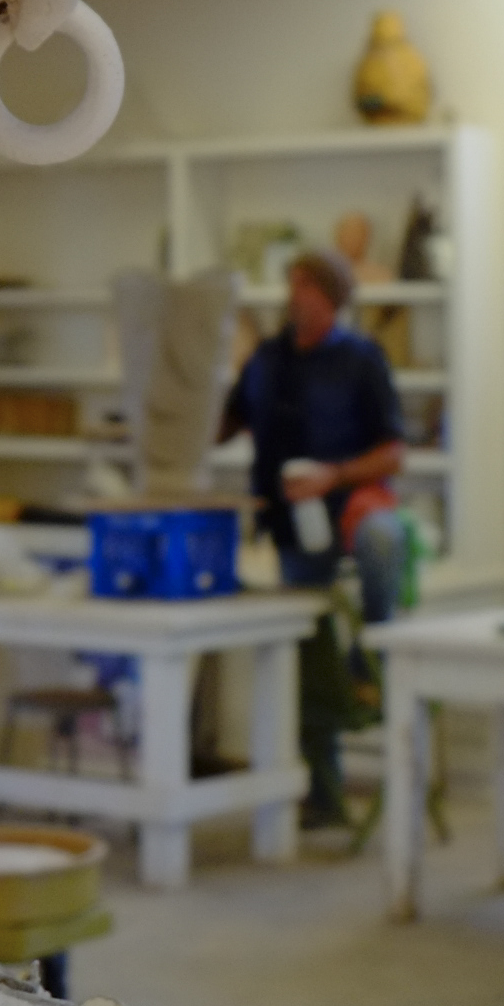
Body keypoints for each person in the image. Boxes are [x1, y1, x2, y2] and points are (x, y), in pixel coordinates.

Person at [220, 247, 406, 828]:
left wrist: (335, 475)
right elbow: (225, 421)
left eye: (307, 285)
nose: (295, 295)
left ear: (332, 297)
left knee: (383, 542)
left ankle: (372, 657)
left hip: (347, 506)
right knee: (306, 654)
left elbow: (393, 451)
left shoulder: (361, 358)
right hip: (290, 521)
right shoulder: (267, 359)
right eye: (292, 283)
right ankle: (322, 792)